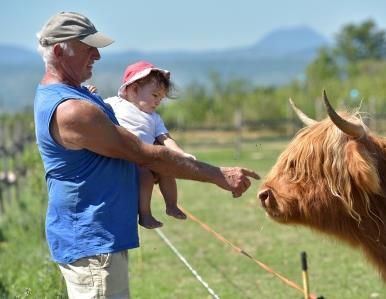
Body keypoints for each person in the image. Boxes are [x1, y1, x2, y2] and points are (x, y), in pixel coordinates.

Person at [34, 11, 259, 299]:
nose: (97, 55)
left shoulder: (79, 96)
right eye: (87, 47)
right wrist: (218, 175)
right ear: (58, 51)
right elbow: (145, 154)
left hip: (99, 239)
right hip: (93, 244)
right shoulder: (72, 110)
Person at [90, 61, 193, 229]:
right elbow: (94, 109)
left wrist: (181, 154)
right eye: (155, 95)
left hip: (148, 157)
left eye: (161, 98)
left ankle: (172, 205)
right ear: (134, 89)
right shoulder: (114, 104)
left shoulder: (154, 118)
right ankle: (145, 214)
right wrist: (91, 94)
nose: (158, 101)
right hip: (125, 158)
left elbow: (166, 138)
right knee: (145, 175)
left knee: (167, 168)